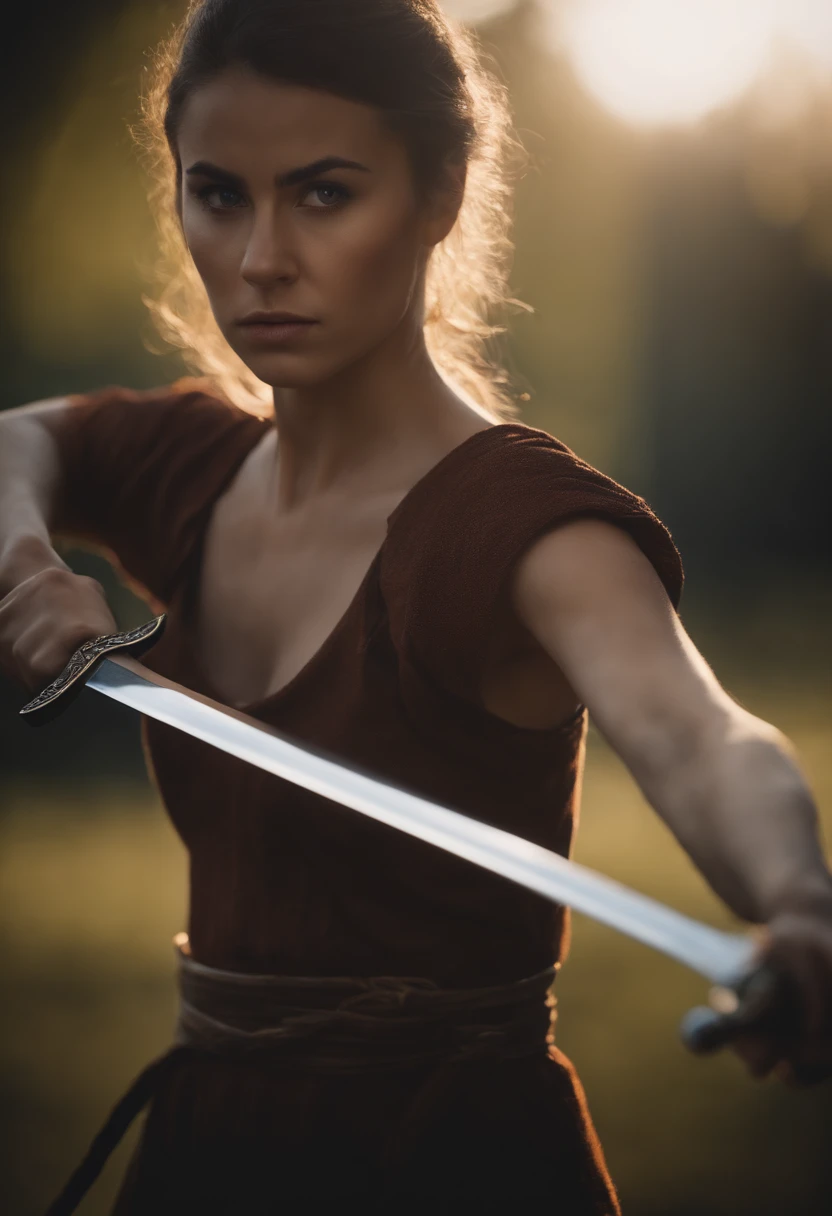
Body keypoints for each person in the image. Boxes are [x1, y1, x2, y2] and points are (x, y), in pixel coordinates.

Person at [0, 1, 830, 1212]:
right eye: (219, 193)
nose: (260, 256)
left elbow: (697, 734)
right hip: (202, 1151)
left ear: (440, 193)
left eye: (324, 194)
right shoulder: (187, 466)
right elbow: (16, 446)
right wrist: (26, 565)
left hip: (448, 1161)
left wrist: (798, 902)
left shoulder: (524, 524)